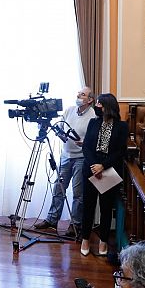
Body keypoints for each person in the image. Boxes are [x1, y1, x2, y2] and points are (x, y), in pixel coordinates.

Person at [34, 87, 97, 237]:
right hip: (66, 156)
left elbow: (93, 139)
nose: (79, 95)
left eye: (82, 94)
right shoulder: (69, 110)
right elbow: (61, 127)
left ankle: (75, 224)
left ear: (90, 100)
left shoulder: (93, 116)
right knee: (58, 188)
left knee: (77, 193)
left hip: (81, 158)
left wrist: (85, 142)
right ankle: (51, 219)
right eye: (78, 93)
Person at [80, 93, 129, 256]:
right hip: (91, 167)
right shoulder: (93, 123)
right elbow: (86, 147)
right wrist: (95, 165)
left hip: (109, 170)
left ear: (108, 107)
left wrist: (103, 166)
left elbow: (120, 151)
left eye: (100, 104)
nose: (97, 107)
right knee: (88, 206)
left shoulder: (121, 126)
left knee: (106, 208)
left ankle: (103, 241)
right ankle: (85, 239)